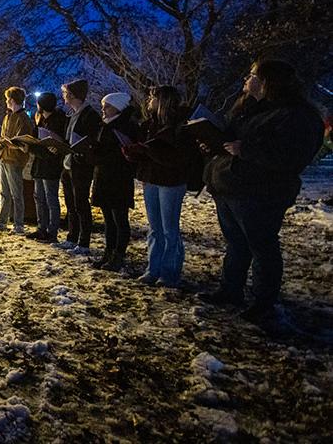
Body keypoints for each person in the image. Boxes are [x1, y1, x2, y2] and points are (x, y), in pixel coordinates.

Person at [199, 60, 324, 323]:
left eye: (253, 74)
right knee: (236, 245)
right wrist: (212, 143)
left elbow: (291, 156)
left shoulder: (296, 114)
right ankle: (231, 289)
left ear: (269, 81)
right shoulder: (249, 108)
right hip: (230, 187)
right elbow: (231, 139)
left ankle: (263, 301)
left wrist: (245, 150)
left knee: (262, 247)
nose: (246, 78)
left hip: (262, 193)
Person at [123, 86, 191, 286]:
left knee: (169, 229)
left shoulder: (180, 127)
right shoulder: (148, 124)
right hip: (151, 179)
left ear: (163, 100)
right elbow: (147, 152)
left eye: (152, 97)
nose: (148, 101)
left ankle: (169, 272)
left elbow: (176, 157)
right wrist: (132, 153)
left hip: (171, 181)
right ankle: (152, 269)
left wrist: (148, 150)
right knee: (154, 228)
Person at [89, 93, 139, 271]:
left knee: (119, 218)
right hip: (103, 175)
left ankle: (118, 254)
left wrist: (100, 152)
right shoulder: (105, 125)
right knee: (108, 219)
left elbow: (126, 152)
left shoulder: (126, 126)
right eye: (103, 106)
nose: (103, 109)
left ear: (118, 108)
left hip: (118, 177)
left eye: (107, 106)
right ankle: (108, 252)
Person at [59, 79, 101, 254]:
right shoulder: (72, 114)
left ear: (73, 95)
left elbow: (91, 139)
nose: (64, 97)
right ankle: (72, 236)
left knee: (81, 203)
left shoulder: (89, 115)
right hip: (68, 164)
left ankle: (84, 241)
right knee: (70, 203)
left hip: (81, 165)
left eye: (66, 93)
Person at [0, 87, 34, 235]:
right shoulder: (8, 116)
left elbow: (22, 142)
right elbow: (5, 138)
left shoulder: (23, 119)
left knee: (16, 193)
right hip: (5, 157)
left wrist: (7, 144)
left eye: (7, 99)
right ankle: (2, 221)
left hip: (14, 160)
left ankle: (18, 224)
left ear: (12, 100)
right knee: (5, 193)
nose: (6, 102)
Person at [27, 92, 68, 244]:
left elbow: (55, 146)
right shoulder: (40, 119)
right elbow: (34, 138)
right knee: (39, 198)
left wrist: (38, 148)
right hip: (39, 164)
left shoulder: (58, 120)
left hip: (50, 165)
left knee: (51, 199)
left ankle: (52, 231)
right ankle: (41, 227)